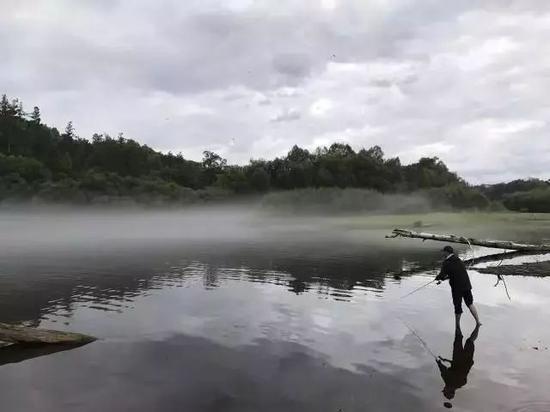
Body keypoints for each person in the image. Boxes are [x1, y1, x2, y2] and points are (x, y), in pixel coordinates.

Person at [436, 246, 481, 327]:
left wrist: (438, 278)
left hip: (457, 288)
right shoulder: (458, 260)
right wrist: (443, 278)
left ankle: (457, 326)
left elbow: (442, 275)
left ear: (446, 252)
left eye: (443, 252)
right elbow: (454, 273)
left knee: (457, 306)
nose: (442, 253)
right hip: (466, 285)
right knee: (470, 303)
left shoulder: (446, 262)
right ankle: (478, 322)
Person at [437, 324, 480, 407]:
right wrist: (438, 362)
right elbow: (443, 369)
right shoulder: (448, 380)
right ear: (449, 390)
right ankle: (459, 322)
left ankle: (477, 326)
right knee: (461, 339)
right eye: (444, 390)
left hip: (466, 360)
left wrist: (444, 361)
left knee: (469, 341)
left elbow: (456, 368)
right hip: (458, 357)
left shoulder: (462, 383)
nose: (444, 388)